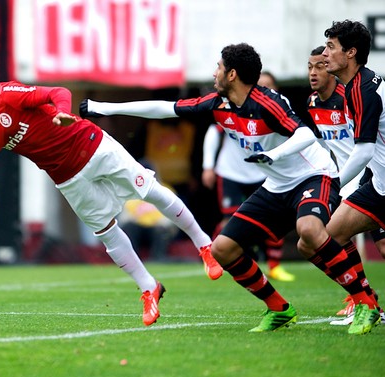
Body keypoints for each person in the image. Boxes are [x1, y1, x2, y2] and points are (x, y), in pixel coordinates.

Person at [80, 43, 380, 334]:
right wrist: (103, 107)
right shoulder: (218, 103)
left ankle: (366, 303)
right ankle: (279, 309)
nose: (214, 74)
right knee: (222, 249)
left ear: (232, 74)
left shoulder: (266, 102)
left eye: (219, 68)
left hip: (314, 175)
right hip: (276, 185)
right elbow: (164, 108)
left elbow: (304, 134)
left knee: (310, 231)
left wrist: (273, 155)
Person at [0, 64, 223, 327]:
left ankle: (204, 245)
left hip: (93, 147)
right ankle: (149, 287)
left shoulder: (4, 94)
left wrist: (63, 114)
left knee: (151, 191)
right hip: (67, 177)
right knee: (106, 231)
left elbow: (57, 91)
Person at [201, 71, 295, 282]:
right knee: (229, 219)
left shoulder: (279, 110)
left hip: (265, 173)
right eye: (260, 85)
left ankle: (274, 267)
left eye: (269, 86)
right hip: (231, 172)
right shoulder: (235, 107)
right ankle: (214, 255)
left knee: (274, 220)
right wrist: (208, 166)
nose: (264, 90)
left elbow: (298, 137)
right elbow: (213, 133)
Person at [321, 20, 385, 330]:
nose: (324, 54)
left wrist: (332, 187)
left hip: (380, 184)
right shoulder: (357, 86)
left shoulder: (362, 88)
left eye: (331, 47)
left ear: (351, 53)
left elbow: (362, 150)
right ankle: (367, 303)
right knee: (329, 236)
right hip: (378, 183)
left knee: (326, 238)